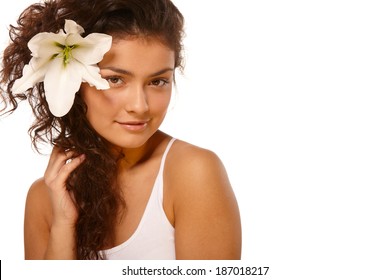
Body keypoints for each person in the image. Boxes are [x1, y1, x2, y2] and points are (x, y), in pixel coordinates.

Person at [0, 0, 241, 260]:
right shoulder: (45, 198)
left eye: (158, 81)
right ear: (74, 82)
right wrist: (63, 227)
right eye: (115, 79)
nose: (140, 106)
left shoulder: (192, 173)